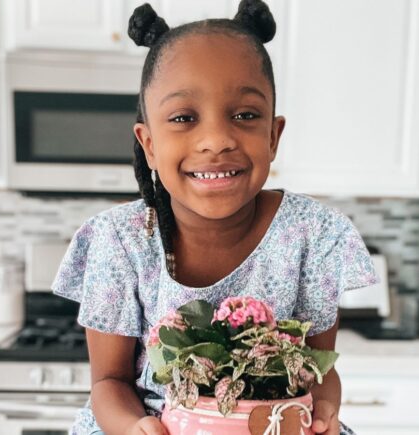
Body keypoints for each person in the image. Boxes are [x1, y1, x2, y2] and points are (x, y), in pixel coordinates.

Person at [52, 1, 378, 434]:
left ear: (273, 135)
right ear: (149, 143)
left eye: (245, 115)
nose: (216, 140)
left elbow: (319, 371)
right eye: (184, 118)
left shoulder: (314, 234)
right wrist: (135, 427)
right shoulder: (120, 239)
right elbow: (109, 381)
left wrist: (320, 412)